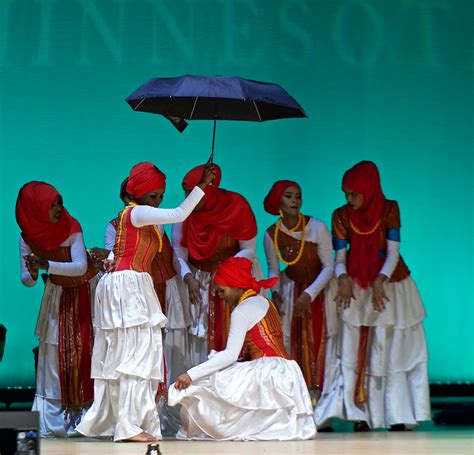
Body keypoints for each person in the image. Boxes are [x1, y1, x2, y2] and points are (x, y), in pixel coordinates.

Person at [77, 162, 215, 442]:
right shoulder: (137, 212)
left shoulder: (140, 219)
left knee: (138, 354)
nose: (159, 201)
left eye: (161, 195)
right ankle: (127, 426)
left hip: (131, 283)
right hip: (128, 286)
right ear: (139, 195)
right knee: (134, 356)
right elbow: (179, 213)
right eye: (154, 196)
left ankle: (128, 422)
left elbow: (125, 251)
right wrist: (203, 185)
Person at [314, 161, 431, 431]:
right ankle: (360, 413)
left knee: (387, 346)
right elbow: (340, 257)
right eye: (346, 193)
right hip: (354, 286)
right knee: (352, 349)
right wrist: (342, 279)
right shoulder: (341, 215)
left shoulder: (389, 209)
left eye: (354, 194)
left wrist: (381, 280)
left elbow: (392, 253)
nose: (349, 199)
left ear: (369, 189)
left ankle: (393, 413)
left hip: (389, 285)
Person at [168, 257, 316, 441]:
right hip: (287, 370)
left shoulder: (242, 310)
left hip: (267, 372)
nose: (220, 296)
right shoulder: (265, 301)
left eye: (222, 291)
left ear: (236, 285)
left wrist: (191, 374)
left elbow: (230, 355)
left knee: (203, 386)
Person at [16, 182, 100, 437]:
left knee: (86, 353)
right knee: (54, 354)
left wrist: (45, 264)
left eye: (59, 202)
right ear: (34, 210)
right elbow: (27, 280)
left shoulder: (71, 227)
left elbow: (79, 267)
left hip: (84, 292)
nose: (58, 209)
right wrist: (31, 272)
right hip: (57, 296)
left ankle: (86, 420)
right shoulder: (27, 237)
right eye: (51, 205)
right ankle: (55, 423)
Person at [172, 163, 261, 367]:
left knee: (237, 334)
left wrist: (226, 274)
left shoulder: (237, 205)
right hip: (198, 282)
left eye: (192, 191)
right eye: (185, 191)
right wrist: (188, 278)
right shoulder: (184, 214)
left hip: (233, 282)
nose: (187, 197)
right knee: (201, 338)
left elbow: (248, 249)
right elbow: (178, 252)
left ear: (208, 189)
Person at [263, 180, 334, 397]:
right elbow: (273, 269)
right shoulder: (271, 233)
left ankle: (322, 400)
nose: (295, 201)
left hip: (319, 289)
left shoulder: (317, 227)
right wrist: (274, 292)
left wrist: (309, 294)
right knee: (292, 341)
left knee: (320, 338)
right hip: (291, 289)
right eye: (289, 196)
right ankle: (296, 397)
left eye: (298, 196)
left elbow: (329, 266)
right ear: (278, 201)